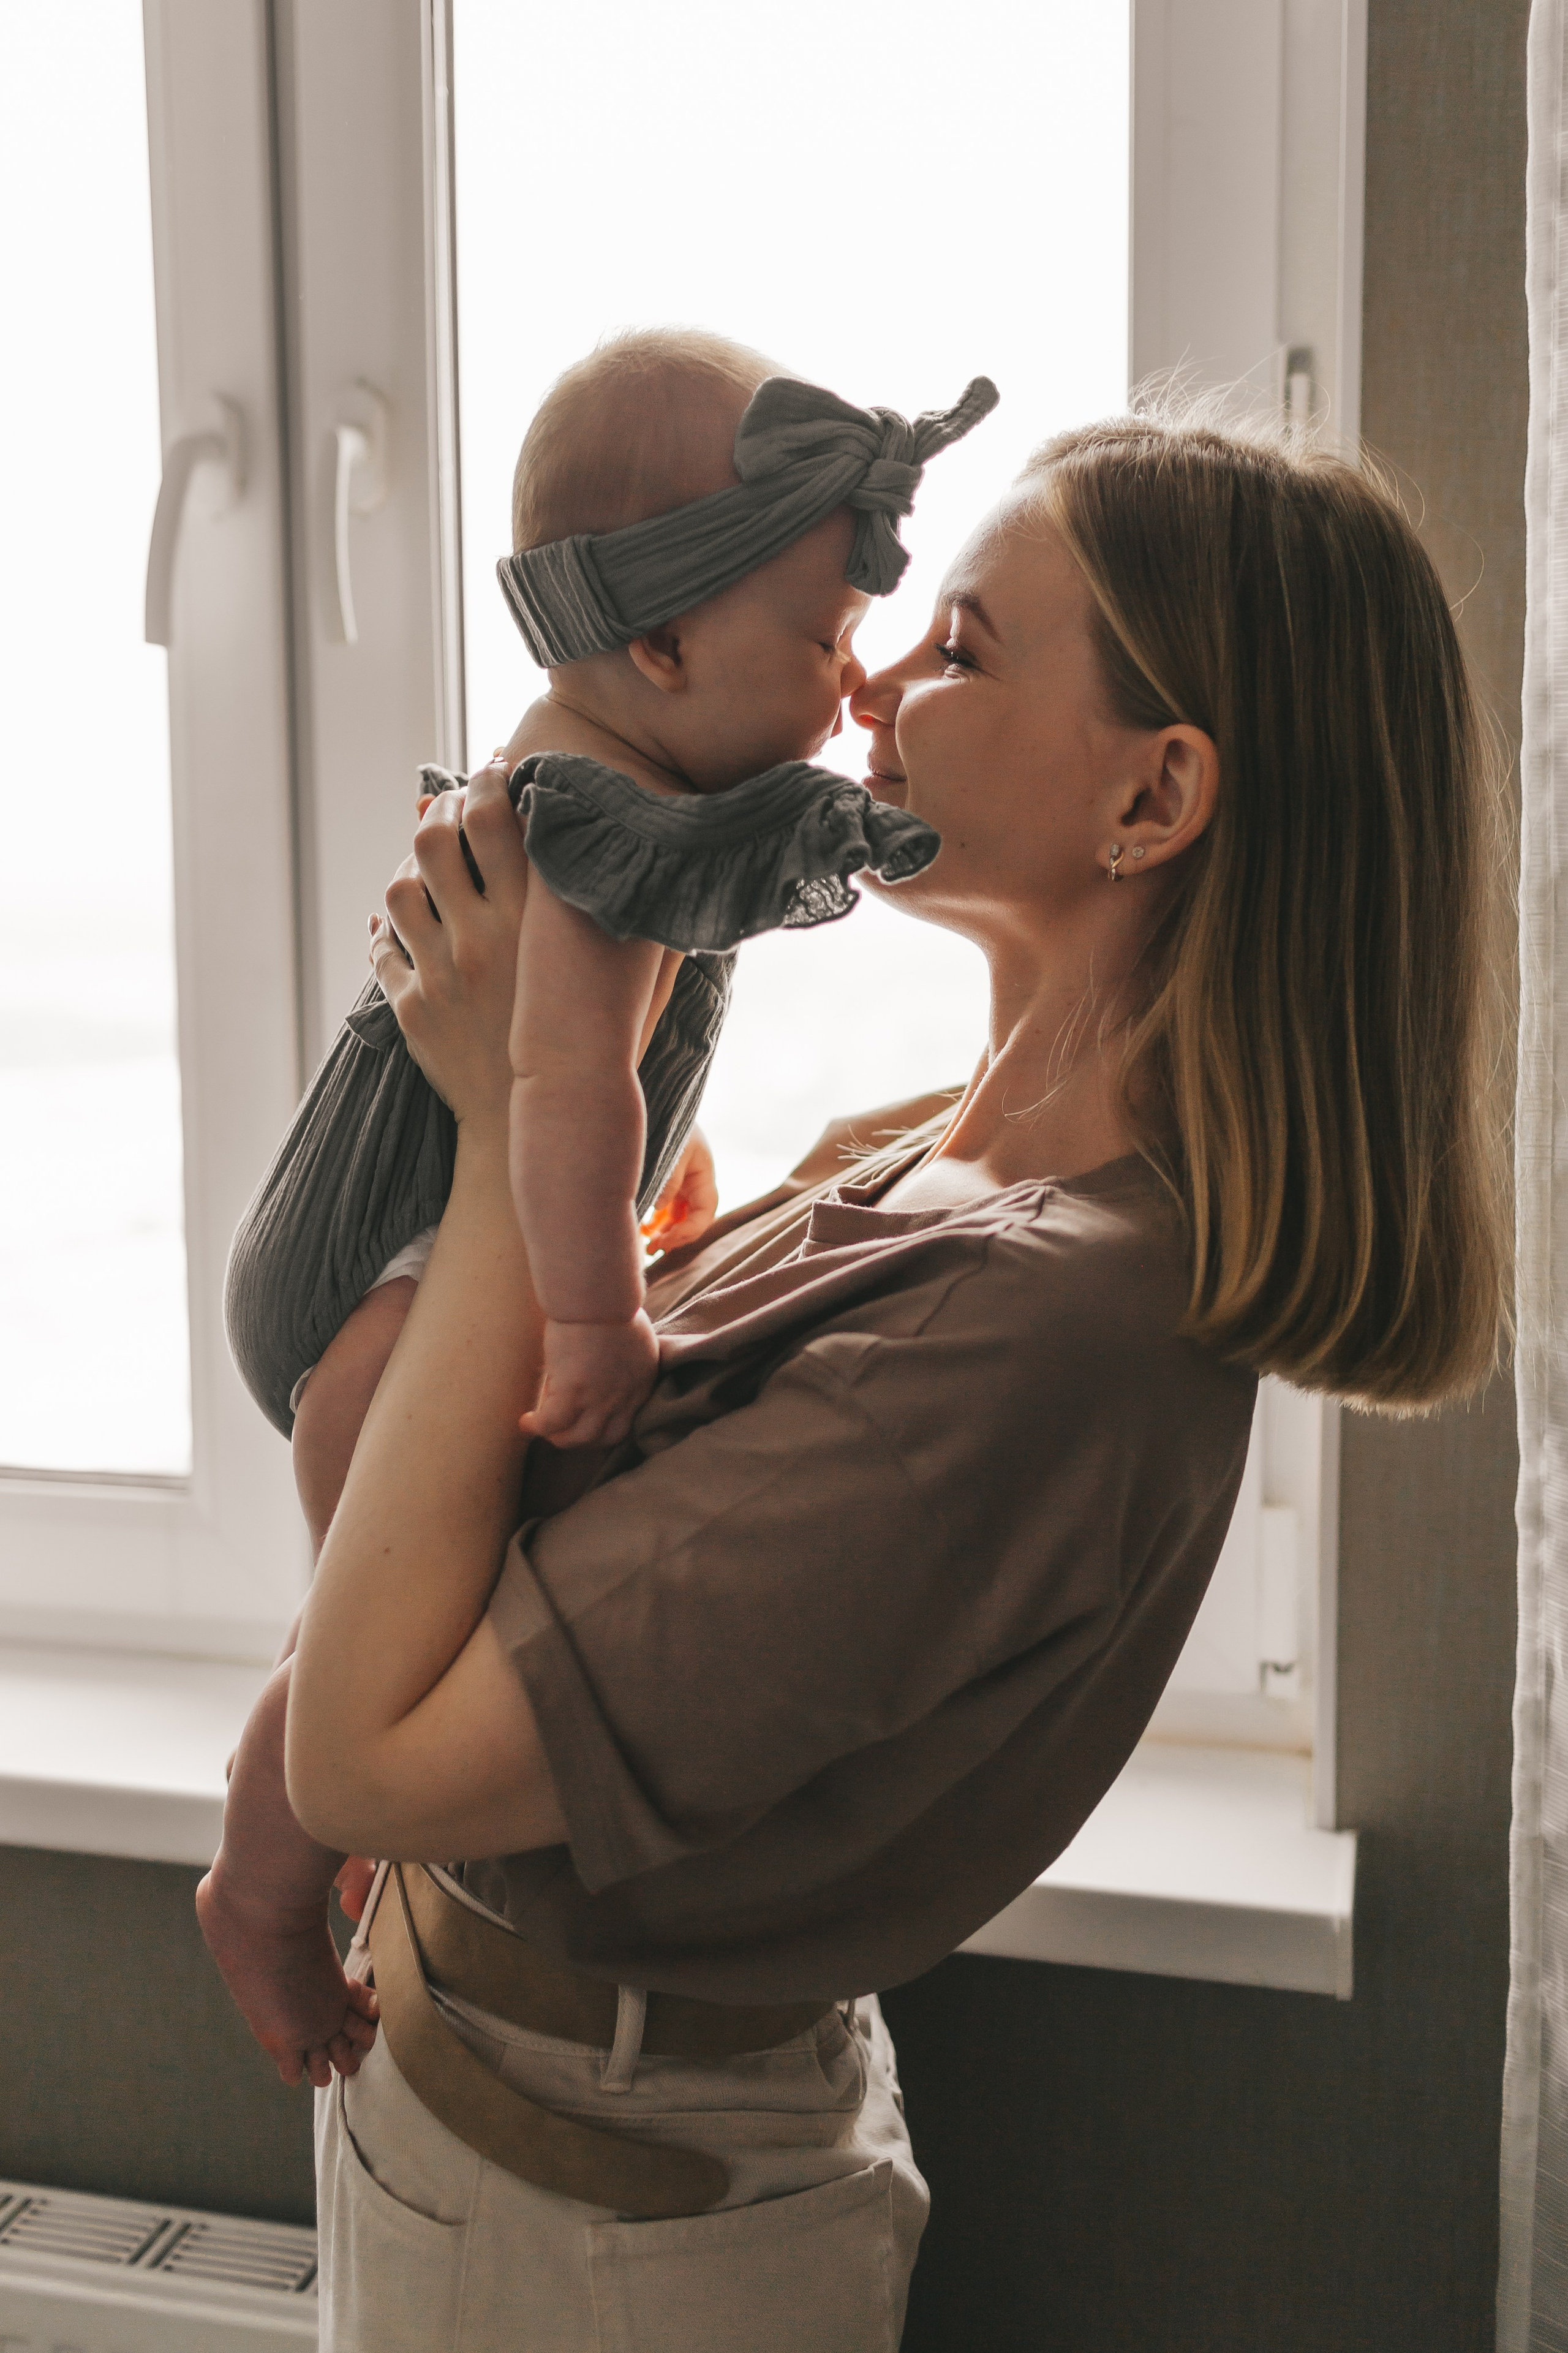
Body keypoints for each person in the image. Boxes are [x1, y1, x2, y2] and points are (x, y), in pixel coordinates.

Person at [284, 403, 1507, 2351]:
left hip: (583, 2223)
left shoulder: (1047, 1332)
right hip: (506, 2110)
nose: (872, 673)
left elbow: (363, 1758)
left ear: (1157, 794)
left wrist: (520, 1133)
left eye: (961, 646)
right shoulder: (945, 1141)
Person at [198, 330, 995, 2095]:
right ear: (661, 644)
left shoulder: (620, 769)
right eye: (824, 640)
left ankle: (285, 1868)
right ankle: (260, 1893)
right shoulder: (607, 831)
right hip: (378, 1282)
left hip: (393, 1243)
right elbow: (556, 1090)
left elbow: (595, 1083)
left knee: (385, 1625)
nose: (849, 678)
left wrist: (639, 1207)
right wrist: (594, 1313)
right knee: (378, 1644)